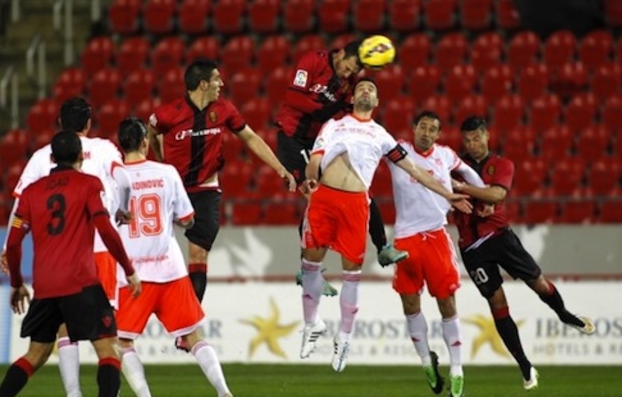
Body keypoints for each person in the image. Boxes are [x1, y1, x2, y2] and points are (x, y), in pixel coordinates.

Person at [0, 130, 142, 397]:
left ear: (52, 158)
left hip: (46, 287)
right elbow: (105, 229)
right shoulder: (89, 184)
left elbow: (13, 242)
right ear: (80, 157)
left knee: (35, 354)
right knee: (109, 348)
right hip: (81, 282)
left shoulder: (32, 193)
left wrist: (17, 284)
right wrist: (129, 269)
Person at [298, 79, 472, 373]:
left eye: (372, 90)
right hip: (324, 197)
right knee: (309, 265)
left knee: (351, 274)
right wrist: (312, 176)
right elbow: (315, 158)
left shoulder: (382, 136)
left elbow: (415, 170)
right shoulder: (334, 124)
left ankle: (345, 338)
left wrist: (447, 194)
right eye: (362, 88)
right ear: (352, 97)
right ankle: (311, 324)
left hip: (355, 204)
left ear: (377, 102)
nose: (366, 91)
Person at [0, 97, 131, 397]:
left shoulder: (42, 155)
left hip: (54, 257)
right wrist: (122, 209)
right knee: (106, 334)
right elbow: (125, 181)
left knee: (62, 331)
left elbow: (20, 204)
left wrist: (6, 246)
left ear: (59, 123)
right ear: (88, 123)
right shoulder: (104, 148)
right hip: (97, 249)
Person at [453, 116, 595, 390]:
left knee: (539, 284)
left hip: (500, 238)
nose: (472, 144)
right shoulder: (456, 165)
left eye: (476, 138)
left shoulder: (502, 164)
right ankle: (525, 365)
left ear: (487, 136)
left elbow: (496, 195)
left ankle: (564, 314)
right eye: (467, 140)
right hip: (471, 249)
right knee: (497, 304)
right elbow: (444, 187)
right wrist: (461, 194)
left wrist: (464, 190)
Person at [115, 118, 241, 397]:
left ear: (121, 145)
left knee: (120, 343)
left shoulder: (113, 179)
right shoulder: (167, 172)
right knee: (195, 337)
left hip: (134, 276)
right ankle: (225, 393)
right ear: (146, 142)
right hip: (171, 271)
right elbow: (187, 219)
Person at [148, 59, 296, 307]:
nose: (222, 83)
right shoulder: (167, 114)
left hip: (206, 191)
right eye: (217, 79)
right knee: (157, 255)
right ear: (203, 84)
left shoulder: (224, 109)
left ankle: (190, 324)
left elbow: (250, 138)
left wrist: (280, 168)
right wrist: (161, 161)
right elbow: (151, 132)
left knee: (198, 255)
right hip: (173, 191)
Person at [275, 41, 407, 297]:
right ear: (340, 54)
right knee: (315, 199)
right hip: (293, 138)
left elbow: (348, 108)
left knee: (359, 190)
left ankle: (382, 247)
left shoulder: (349, 82)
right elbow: (292, 96)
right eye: (349, 67)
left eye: (354, 71)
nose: (349, 74)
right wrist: (324, 109)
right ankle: (308, 271)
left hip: (317, 142)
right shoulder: (313, 59)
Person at [388, 111, 491, 397]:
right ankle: (426, 362)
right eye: (423, 126)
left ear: (437, 135)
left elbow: (469, 174)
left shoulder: (445, 155)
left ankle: (457, 369)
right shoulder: (399, 150)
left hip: (435, 236)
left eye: (433, 129)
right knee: (410, 303)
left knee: (447, 302)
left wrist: (481, 194)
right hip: (406, 238)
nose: (427, 132)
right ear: (414, 128)